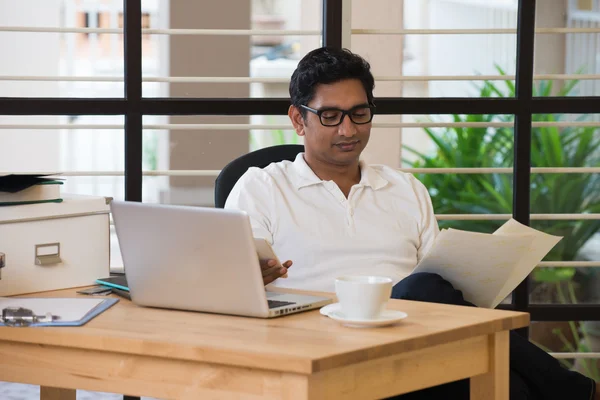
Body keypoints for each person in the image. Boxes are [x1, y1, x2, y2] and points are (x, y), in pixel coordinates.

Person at [224, 46, 599, 400]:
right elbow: (232, 282)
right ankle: (577, 391)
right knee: (426, 292)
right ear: (298, 119)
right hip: (314, 350)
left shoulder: (404, 188)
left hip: (411, 346)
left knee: (511, 388)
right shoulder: (262, 187)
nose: (348, 130)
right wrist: (249, 278)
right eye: (330, 115)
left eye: (359, 113)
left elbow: (440, 290)